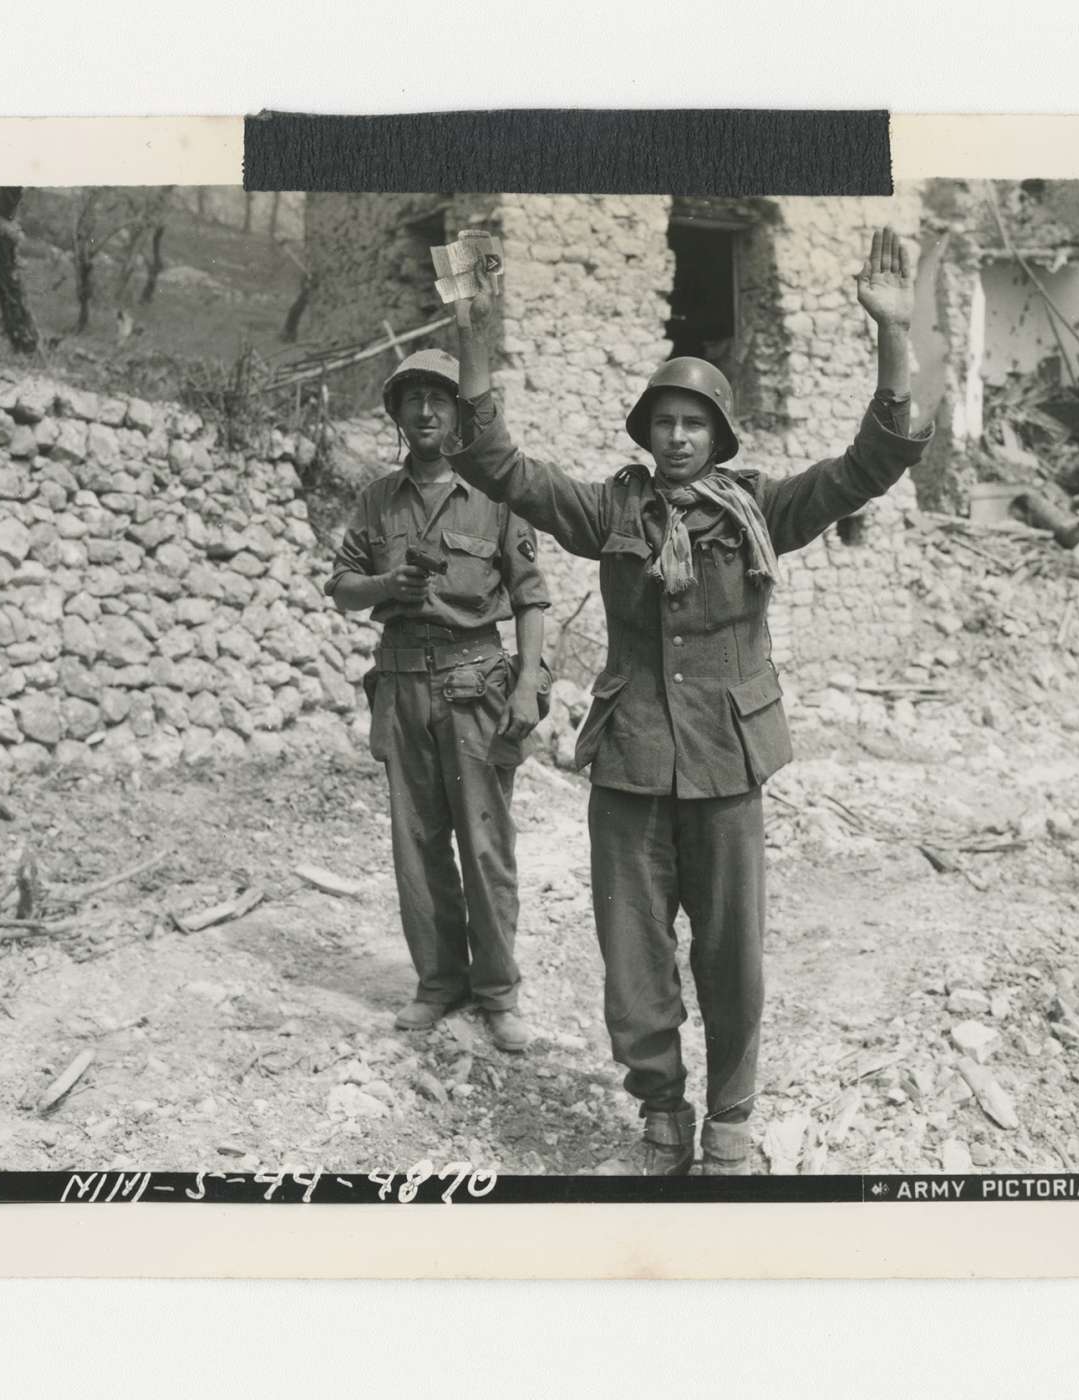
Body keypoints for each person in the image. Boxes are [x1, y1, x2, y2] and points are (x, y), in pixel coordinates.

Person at [444, 227, 937, 1172]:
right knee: (633, 963)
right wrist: (472, 337)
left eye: (693, 424)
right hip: (629, 759)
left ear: (718, 437)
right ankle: (660, 1114)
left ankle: (731, 1117)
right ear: (646, 433)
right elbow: (499, 463)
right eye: (663, 422)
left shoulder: (765, 510)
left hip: (725, 759)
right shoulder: (612, 511)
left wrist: (891, 336)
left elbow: (874, 462)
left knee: (731, 954)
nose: (676, 436)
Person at [326, 347, 552, 1054]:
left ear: (459, 413)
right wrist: (386, 586)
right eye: (412, 399)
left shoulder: (496, 493)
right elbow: (341, 587)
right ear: (396, 414)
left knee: (486, 847)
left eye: (440, 399)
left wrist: (528, 683)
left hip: (473, 683)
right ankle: (437, 982)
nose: (425, 411)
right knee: (416, 846)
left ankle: (498, 993)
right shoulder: (376, 499)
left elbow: (531, 596)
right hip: (400, 687)